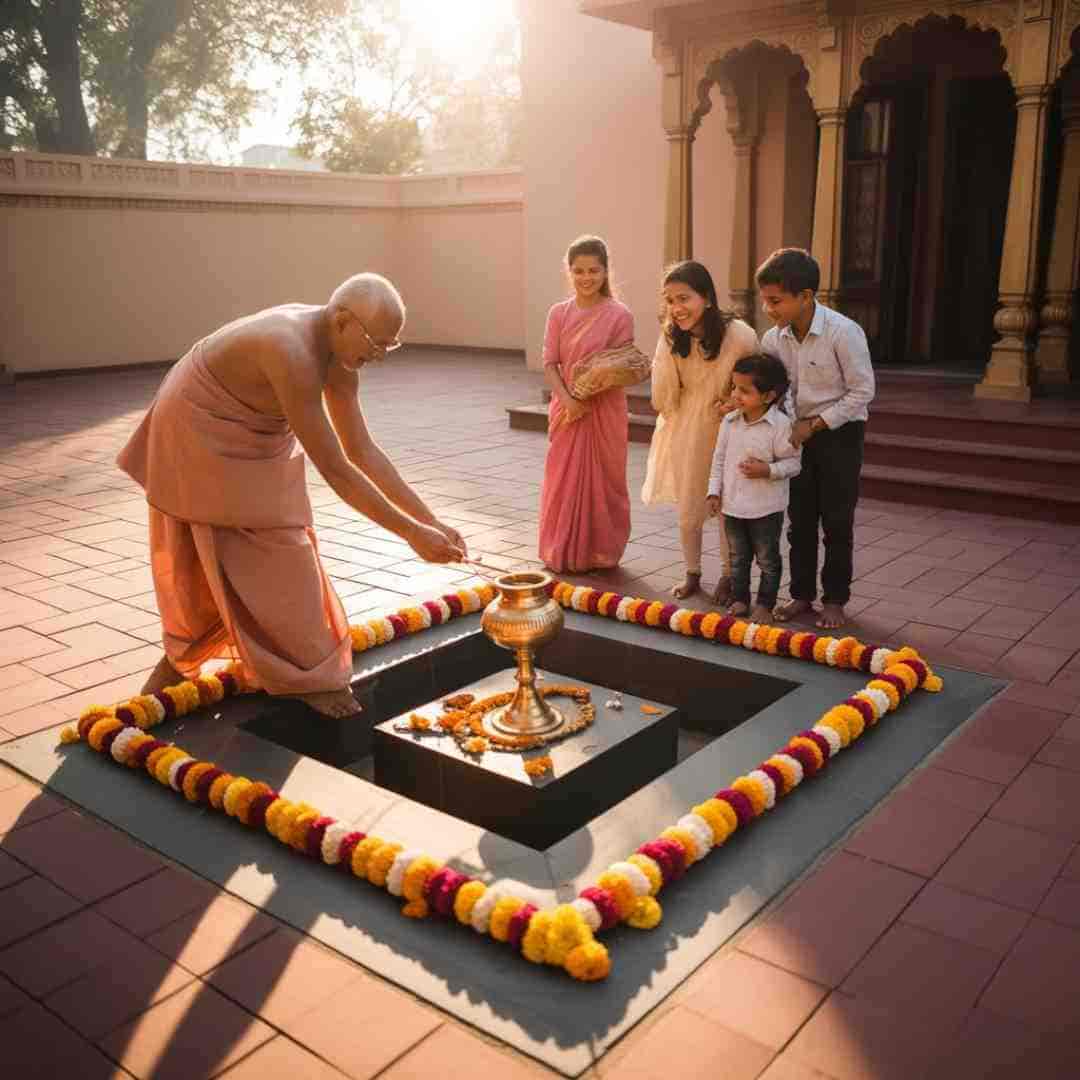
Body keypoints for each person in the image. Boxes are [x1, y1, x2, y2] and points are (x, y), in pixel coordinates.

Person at [117, 273, 466, 719]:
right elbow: (337, 469)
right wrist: (411, 535)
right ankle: (300, 677)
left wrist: (430, 522)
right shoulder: (292, 351)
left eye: (388, 347)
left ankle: (182, 666)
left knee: (260, 547)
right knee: (273, 548)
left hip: (253, 434)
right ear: (343, 320)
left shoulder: (340, 354)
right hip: (197, 426)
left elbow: (362, 450)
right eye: (375, 344)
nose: (378, 357)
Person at [757, 248, 875, 629]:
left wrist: (817, 424)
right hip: (797, 434)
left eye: (775, 301)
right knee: (799, 520)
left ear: (805, 297)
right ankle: (802, 595)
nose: (767, 309)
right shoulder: (773, 340)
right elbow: (774, 388)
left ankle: (836, 600)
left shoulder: (843, 332)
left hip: (840, 434)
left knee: (837, 521)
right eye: (764, 300)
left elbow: (862, 391)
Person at [642, 260, 758, 601]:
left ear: (707, 297)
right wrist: (664, 352)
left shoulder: (740, 335)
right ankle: (692, 572)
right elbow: (663, 398)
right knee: (690, 505)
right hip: (688, 428)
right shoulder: (671, 338)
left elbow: (757, 382)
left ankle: (728, 575)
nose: (677, 308)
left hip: (731, 428)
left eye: (684, 298)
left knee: (726, 506)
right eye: (670, 300)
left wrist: (733, 401)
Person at [538, 235, 634, 573]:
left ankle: (601, 552)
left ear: (606, 272)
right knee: (562, 478)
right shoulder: (558, 314)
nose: (586, 278)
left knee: (606, 480)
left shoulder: (619, 314)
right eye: (579, 271)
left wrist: (592, 388)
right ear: (569, 272)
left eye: (594, 270)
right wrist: (569, 400)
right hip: (567, 410)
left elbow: (624, 363)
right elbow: (550, 363)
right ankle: (562, 549)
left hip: (605, 409)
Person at [706, 354, 801, 624]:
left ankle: (765, 604)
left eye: (744, 390)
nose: (735, 394)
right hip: (733, 505)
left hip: (765, 508)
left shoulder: (781, 426)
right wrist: (713, 492)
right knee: (738, 558)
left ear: (769, 395)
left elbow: (794, 463)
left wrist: (768, 470)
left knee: (767, 559)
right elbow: (719, 459)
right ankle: (740, 599)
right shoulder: (729, 422)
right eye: (734, 387)